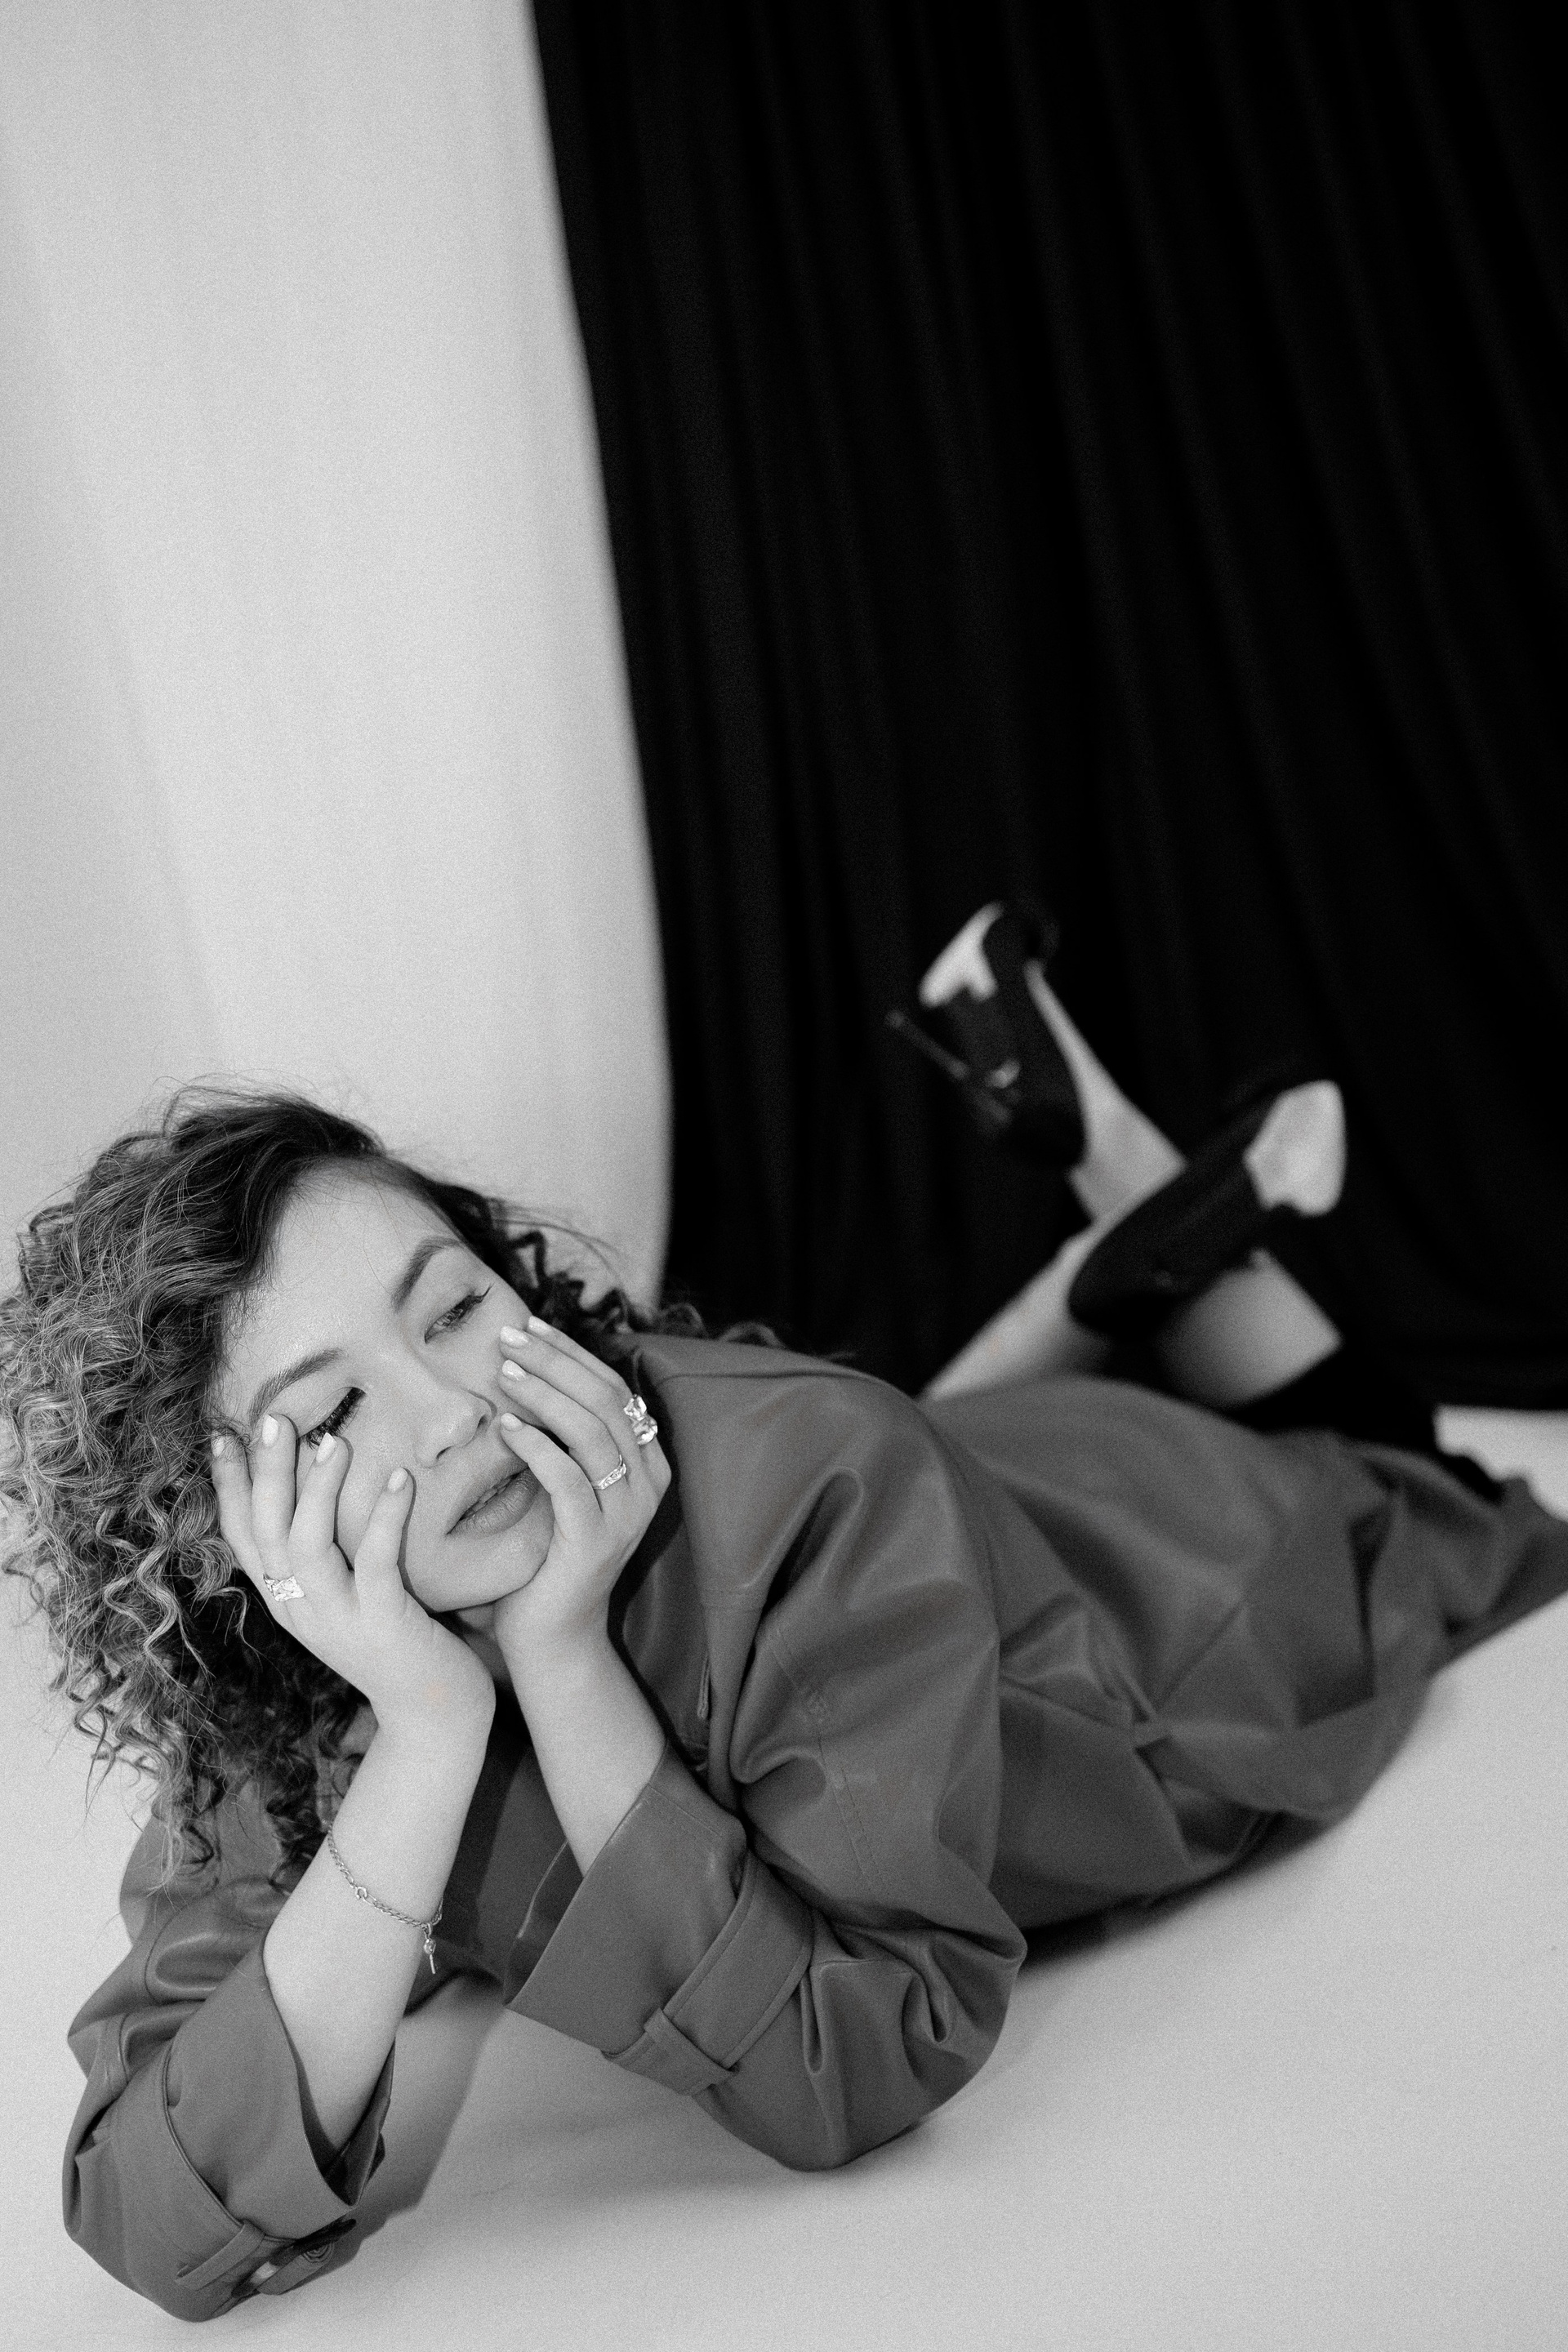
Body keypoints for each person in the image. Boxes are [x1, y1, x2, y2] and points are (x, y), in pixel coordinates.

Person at [2, 904, 1563, 2322]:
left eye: (457, 1307)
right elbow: (145, 2208)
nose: (453, 1413)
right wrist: (426, 1738)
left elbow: (859, 2060)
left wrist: (562, 1662)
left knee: (1399, 1467)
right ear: (219, 1531)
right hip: (952, 1481)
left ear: (512, 1284)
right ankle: (1121, 1258)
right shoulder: (277, 1688)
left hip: (1173, 1579)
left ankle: (1142, 1256)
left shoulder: (808, 1473)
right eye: (333, 1412)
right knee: (926, 1430)